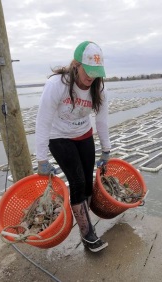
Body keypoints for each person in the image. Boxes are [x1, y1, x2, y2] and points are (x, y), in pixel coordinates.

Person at [35, 41, 111, 252]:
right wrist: (41, 159)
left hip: (84, 135)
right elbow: (43, 121)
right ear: (76, 65)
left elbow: (102, 121)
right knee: (76, 181)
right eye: (88, 71)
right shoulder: (57, 85)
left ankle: (82, 219)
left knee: (87, 183)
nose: (91, 77)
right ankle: (87, 233)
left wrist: (106, 150)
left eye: (96, 72)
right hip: (58, 137)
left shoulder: (99, 90)